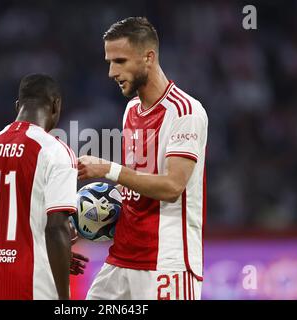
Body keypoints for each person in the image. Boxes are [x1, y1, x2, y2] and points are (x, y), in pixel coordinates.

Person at [78, 17, 208, 300]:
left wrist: (107, 168)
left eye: (120, 61)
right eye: (109, 62)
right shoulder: (131, 110)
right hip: (122, 258)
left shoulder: (185, 112)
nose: (112, 71)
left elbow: (173, 187)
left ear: (148, 57)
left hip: (166, 264)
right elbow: (134, 185)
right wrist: (92, 213)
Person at [0, 74, 87, 300]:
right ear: (56, 105)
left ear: (17, 106)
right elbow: (56, 229)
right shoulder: (55, 151)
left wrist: (53, 255)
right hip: (35, 288)